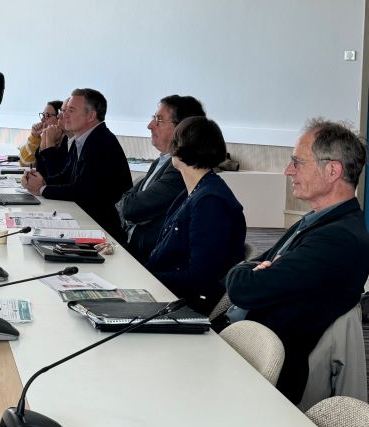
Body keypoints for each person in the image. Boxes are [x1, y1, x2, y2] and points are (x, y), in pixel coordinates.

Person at [223, 119, 369, 403]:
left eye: (297, 162)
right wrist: (253, 269)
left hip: (266, 373)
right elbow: (253, 271)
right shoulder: (318, 221)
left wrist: (249, 270)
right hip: (245, 345)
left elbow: (244, 288)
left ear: (332, 171)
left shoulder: (337, 239)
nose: (288, 170)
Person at [145, 117, 245, 314]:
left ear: (180, 149)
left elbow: (200, 277)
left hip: (185, 305)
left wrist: (146, 278)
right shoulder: (194, 191)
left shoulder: (210, 202)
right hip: (168, 292)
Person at [21, 88, 132, 241]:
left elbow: (82, 190)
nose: (63, 115)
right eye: (65, 110)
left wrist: (41, 188)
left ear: (91, 116)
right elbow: (66, 176)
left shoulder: (101, 142)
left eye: (71, 110)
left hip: (103, 231)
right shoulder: (82, 139)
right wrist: (39, 180)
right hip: (85, 220)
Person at [118, 95, 207, 263]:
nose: (150, 125)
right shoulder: (161, 161)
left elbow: (131, 208)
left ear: (182, 129)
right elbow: (124, 203)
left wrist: (128, 209)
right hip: (132, 247)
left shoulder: (181, 170)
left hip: (147, 259)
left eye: (159, 120)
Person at [18, 100, 63, 167]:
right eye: (43, 115)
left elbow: (51, 169)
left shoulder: (66, 142)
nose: (42, 120)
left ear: (59, 117)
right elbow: (25, 163)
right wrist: (34, 137)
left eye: (46, 115)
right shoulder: (44, 138)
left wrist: (49, 140)